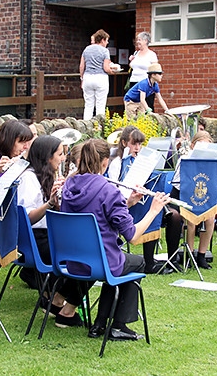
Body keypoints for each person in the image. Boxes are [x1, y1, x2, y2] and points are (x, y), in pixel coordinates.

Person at [60, 139, 169, 340]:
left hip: (74, 261)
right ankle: (116, 325)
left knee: (121, 260)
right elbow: (133, 237)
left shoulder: (69, 186)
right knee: (137, 261)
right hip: (100, 262)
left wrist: (126, 203)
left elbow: (96, 215)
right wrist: (153, 211)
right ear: (104, 162)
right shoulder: (108, 190)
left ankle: (100, 325)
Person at [17, 135, 88, 327]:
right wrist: (50, 203)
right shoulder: (28, 178)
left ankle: (55, 299)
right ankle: (63, 305)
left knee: (85, 250)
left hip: (45, 236)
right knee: (87, 255)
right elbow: (27, 218)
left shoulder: (46, 175)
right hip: (35, 241)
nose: (63, 158)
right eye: (60, 154)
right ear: (48, 156)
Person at [107, 126, 182, 274]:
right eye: (134, 144)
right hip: (126, 204)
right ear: (124, 143)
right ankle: (149, 262)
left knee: (175, 216)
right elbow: (113, 187)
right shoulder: (118, 162)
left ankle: (172, 259)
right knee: (150, 210)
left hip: (143, 200)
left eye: (140, 144)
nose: (137, 147)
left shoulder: (143, 161)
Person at [181, 131, 216, 270]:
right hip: (185, 195)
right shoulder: (186, 158)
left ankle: (201, 255)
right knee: (191, 220)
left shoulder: (211, 161)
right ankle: (189, 253)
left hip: (203, 195)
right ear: (193, 145)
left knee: (210, 218)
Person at [79, 29, 119, 120]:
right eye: (107, 40)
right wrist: (113, 71)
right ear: (102, 40)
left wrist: (82, 78)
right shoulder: (105, 51)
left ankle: (86, 125)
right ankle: (99, 126)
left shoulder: (87, 49)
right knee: (100, 105)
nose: (107, 43)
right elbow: (106, 68)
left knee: (88, 105)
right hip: (101, 78)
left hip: (87, 77)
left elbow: (82, 66)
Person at [128, 32, 159, 110]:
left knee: (147, 105)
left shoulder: (152, 55)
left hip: (146, 83)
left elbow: (155, 69)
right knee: (134, 106)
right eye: (137, 40)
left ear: (145, 41)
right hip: (134, 82)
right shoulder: (136, 53)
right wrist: (131, 61)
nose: (137, 42)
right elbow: (132, 66)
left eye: (139, 40)